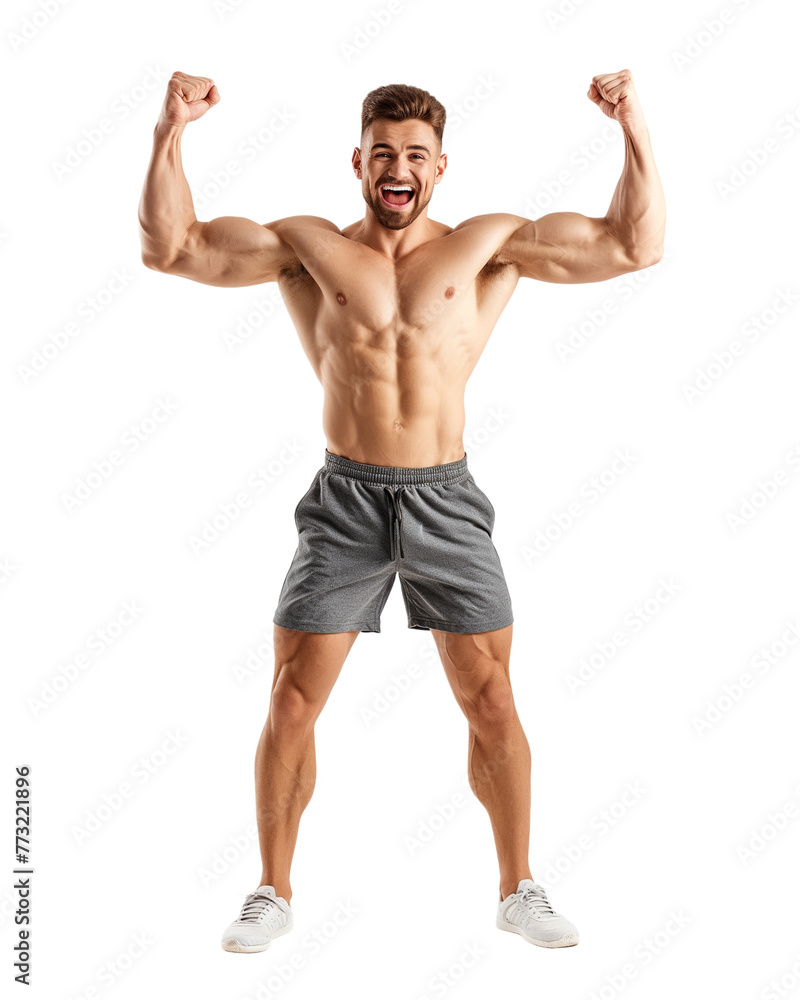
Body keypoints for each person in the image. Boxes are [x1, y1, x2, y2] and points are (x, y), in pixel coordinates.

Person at [138, 69, 665, 952]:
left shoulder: (489, 244)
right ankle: (271, 890)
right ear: (358, 161)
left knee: (491, 697)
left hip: (445, 497)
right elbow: (174, 247)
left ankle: (518, 886)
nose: (398, 166)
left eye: (415, 154)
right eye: (383, 152)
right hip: (345, 498)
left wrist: (633, 123)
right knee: (293, 702)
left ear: (439, 167)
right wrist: (168, 132)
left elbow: (631, 246)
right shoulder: (307, 245)